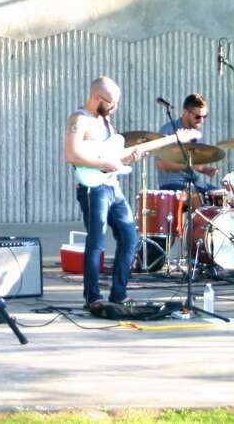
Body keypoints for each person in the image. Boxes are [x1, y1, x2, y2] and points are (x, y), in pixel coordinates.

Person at [63, 76, 143, 309]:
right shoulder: (80, 119)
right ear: (96, 98)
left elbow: (112, 158)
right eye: (111, 103)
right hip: (92, 188)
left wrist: (131, 157)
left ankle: (119, 293)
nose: (114, 108)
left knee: (130, 237)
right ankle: (93, 297)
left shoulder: (107, 122)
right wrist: (103, 164)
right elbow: (71, 154)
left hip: (113, 186)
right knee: (96, 241)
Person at [155, 93, 219, 195]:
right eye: (197, 116)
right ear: (185, 112)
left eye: (205, 116)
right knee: (194, 196)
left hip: (194, 183)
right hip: (172, 184)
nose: (201, 121)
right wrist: (191, 166)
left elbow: (195, 165)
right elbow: (160, 164)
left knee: (223, 196)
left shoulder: (196, 133)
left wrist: (205, 169)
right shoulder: (169, 131)